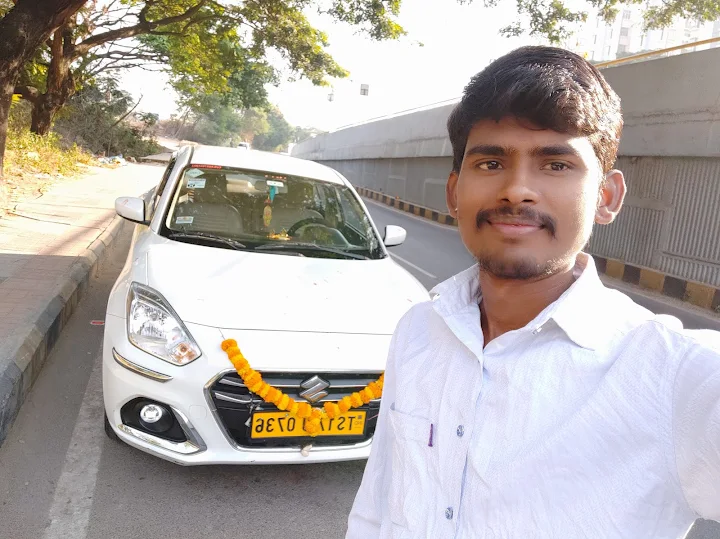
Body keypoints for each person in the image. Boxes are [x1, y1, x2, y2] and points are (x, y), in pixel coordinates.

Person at [346, 46, 720, 538]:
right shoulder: (419, 331)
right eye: (490, 163)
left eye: (556, 165)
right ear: (454, 193)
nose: (517, 189)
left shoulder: (677, 376)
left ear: (607, 197)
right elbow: (377, 503)